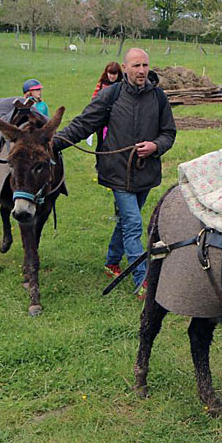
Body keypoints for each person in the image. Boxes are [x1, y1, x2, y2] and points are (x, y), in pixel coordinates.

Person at [53, 48, 176, 299]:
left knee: (125, 221)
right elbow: (83, 123)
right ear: (125, 67)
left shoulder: (159, 98)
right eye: (136, 66)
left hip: (146, 172)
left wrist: (156, 146)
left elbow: (169, 133)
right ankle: (143, 281)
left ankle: (111, 262)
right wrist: (50, 143)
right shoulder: (112, 95)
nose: (141, 70)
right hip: (118, 172)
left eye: (145, 65)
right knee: (133, 224)